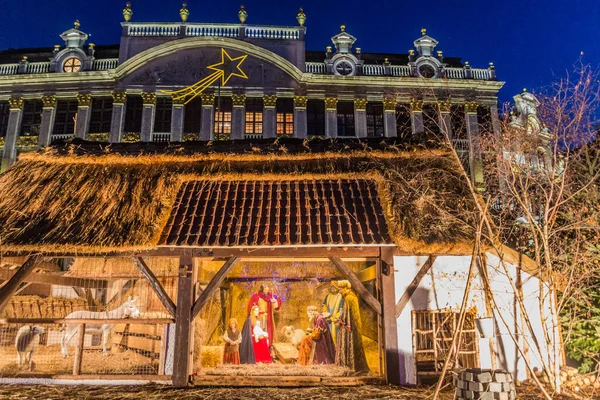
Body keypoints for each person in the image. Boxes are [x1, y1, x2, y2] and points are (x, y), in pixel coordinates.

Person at [335, 280, 370, 373]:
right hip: (354, 327)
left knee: (348, 344)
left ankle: (348, 365)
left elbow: (346, 316)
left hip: (349, 327)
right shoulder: (353, 297)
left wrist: (339, 321)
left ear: (345, 288)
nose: (339, 291)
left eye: (340, 289)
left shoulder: (348, 298)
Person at [322, 281, 344, 346]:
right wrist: (326, 315)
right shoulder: (327, 296)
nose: (333, 289)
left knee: (336, 338)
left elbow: (341, 310)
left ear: (337, 287)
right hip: (328, 321)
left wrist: (334, 318)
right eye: (331, 287)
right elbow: (324, 307)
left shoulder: (341, 297)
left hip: (335, 321)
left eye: (334, 287)